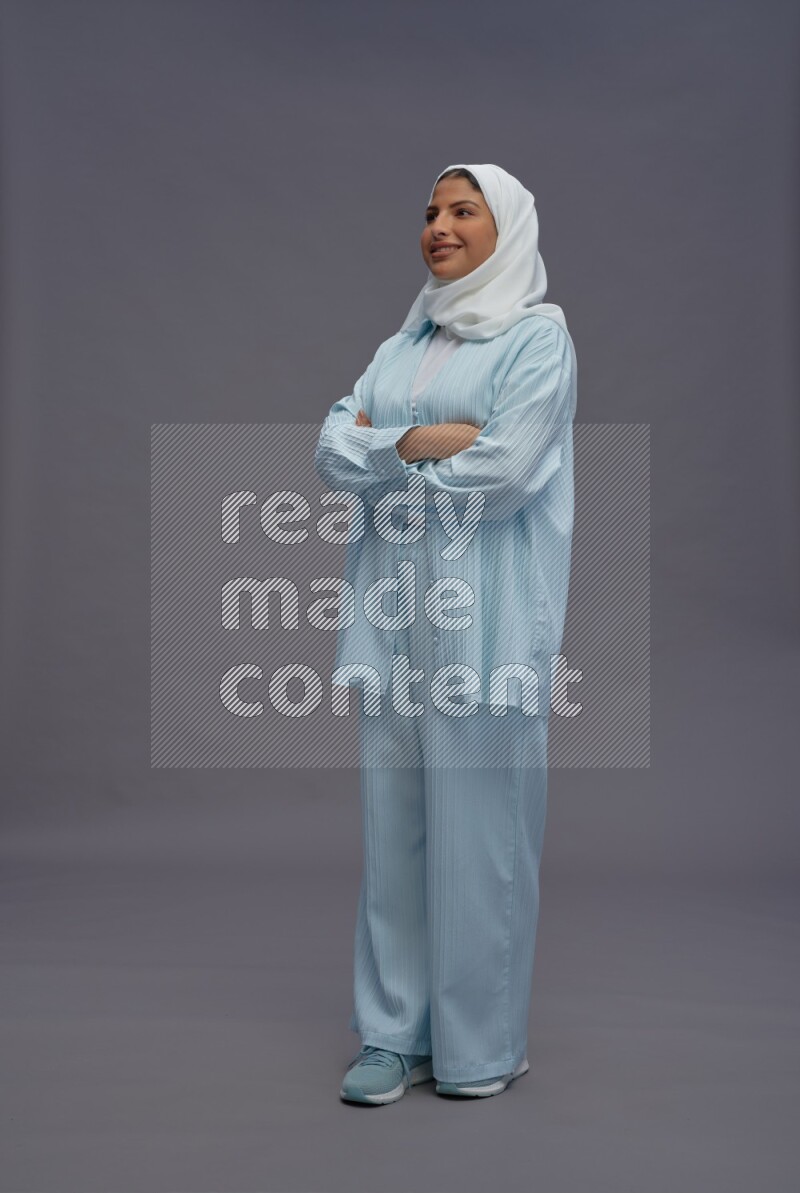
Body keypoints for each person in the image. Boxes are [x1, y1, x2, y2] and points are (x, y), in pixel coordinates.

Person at [314, 163, 577, 1104]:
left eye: (464, 210)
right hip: (393, 622)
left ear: (505, 228)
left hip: (488, 629)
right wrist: (429, 437)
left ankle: (477, 1047)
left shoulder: (538, 340)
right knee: (397, 841)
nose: (439, 226)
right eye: (430, 211)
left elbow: (505, 470)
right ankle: (392, 1033)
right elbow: (331, 448)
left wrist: (391, 446)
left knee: (484, 839)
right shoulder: (401, 345)